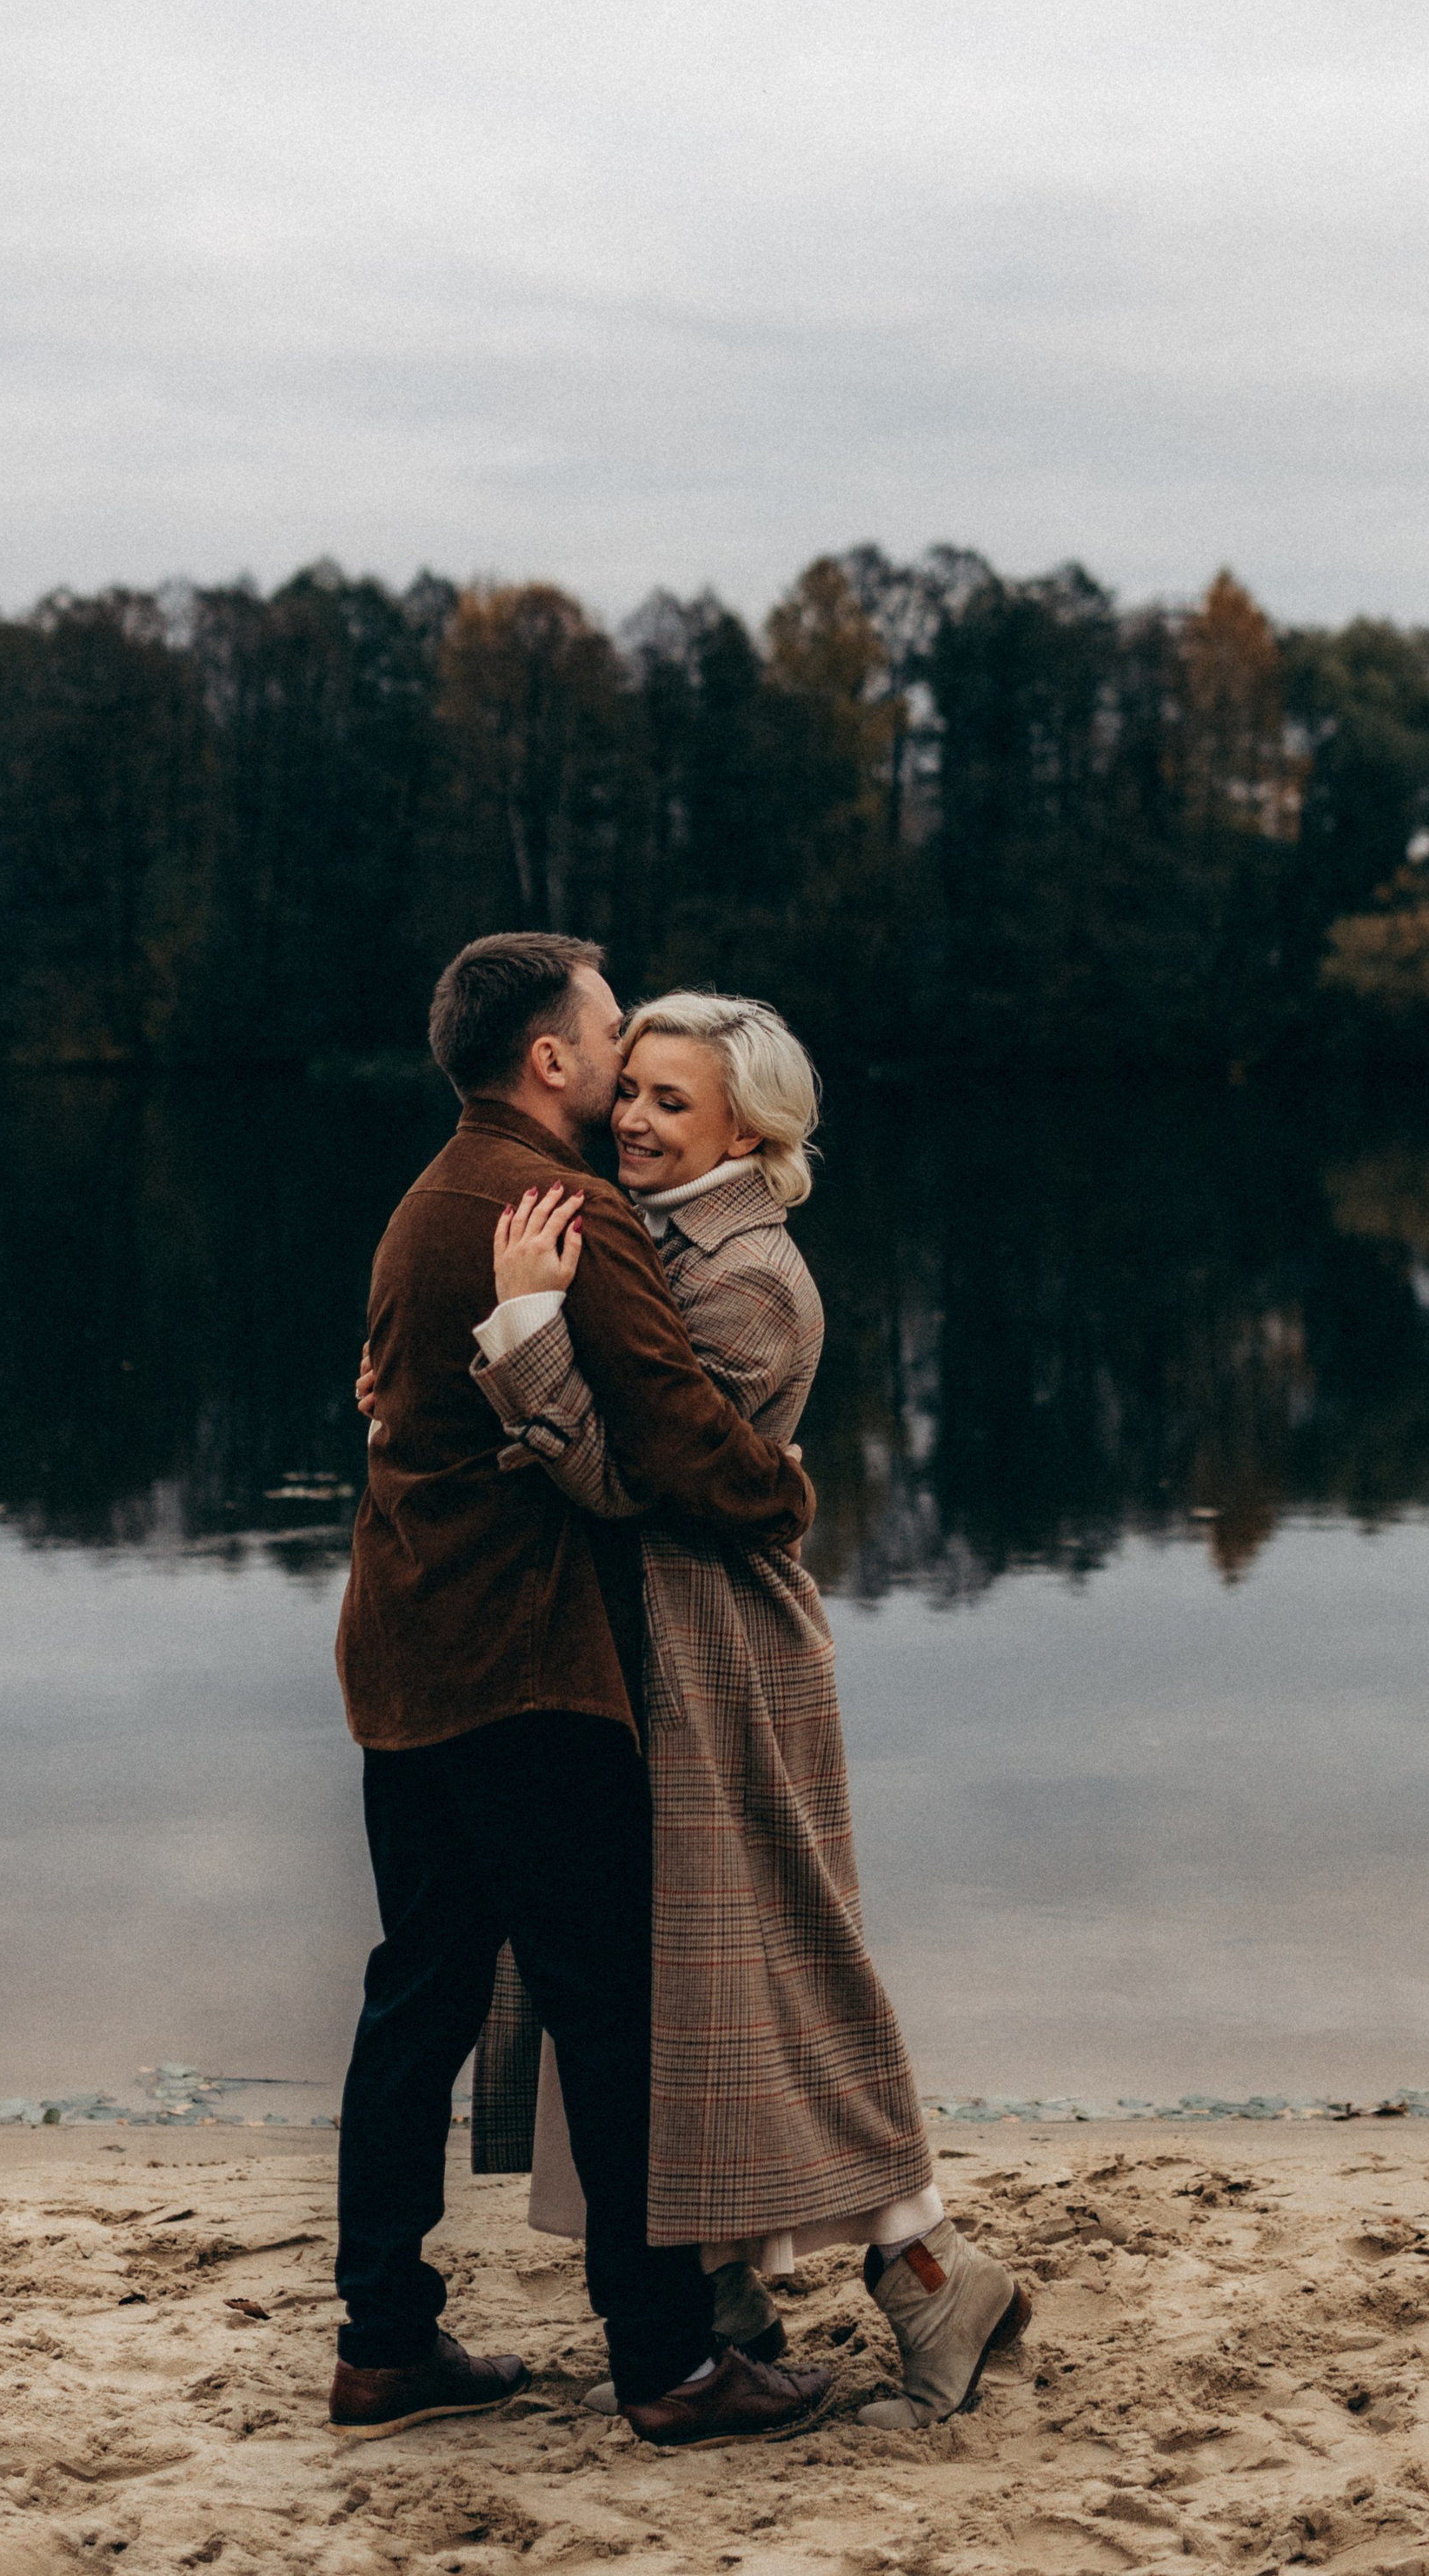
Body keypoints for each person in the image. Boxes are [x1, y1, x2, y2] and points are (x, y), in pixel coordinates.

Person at [390, 988, 1032, 2433]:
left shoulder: (751, 1276)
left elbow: (632, 1473)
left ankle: (930, 2267)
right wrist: (435, 1377)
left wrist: (527, 1329)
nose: (631, 1117)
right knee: (681, 1982)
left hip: (724, 1653)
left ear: (749, 1125)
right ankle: (723, 2288)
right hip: (639, 1646)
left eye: (669, 1103)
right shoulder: (650, 1235)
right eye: (632, 1091)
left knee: (777, 1964)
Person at [330, 932, 836, 2449]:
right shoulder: (569, 1212)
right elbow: (681, 1439)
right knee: (616, 2011)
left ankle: (383, 2340)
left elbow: (390, 1388)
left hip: (401, 1648)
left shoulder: (430, 1198)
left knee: (414, 1995)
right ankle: (671, 2362)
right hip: (530, 1670)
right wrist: (790, 1492)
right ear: (550, 1056)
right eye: (610, 1030)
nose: (625, 1059)